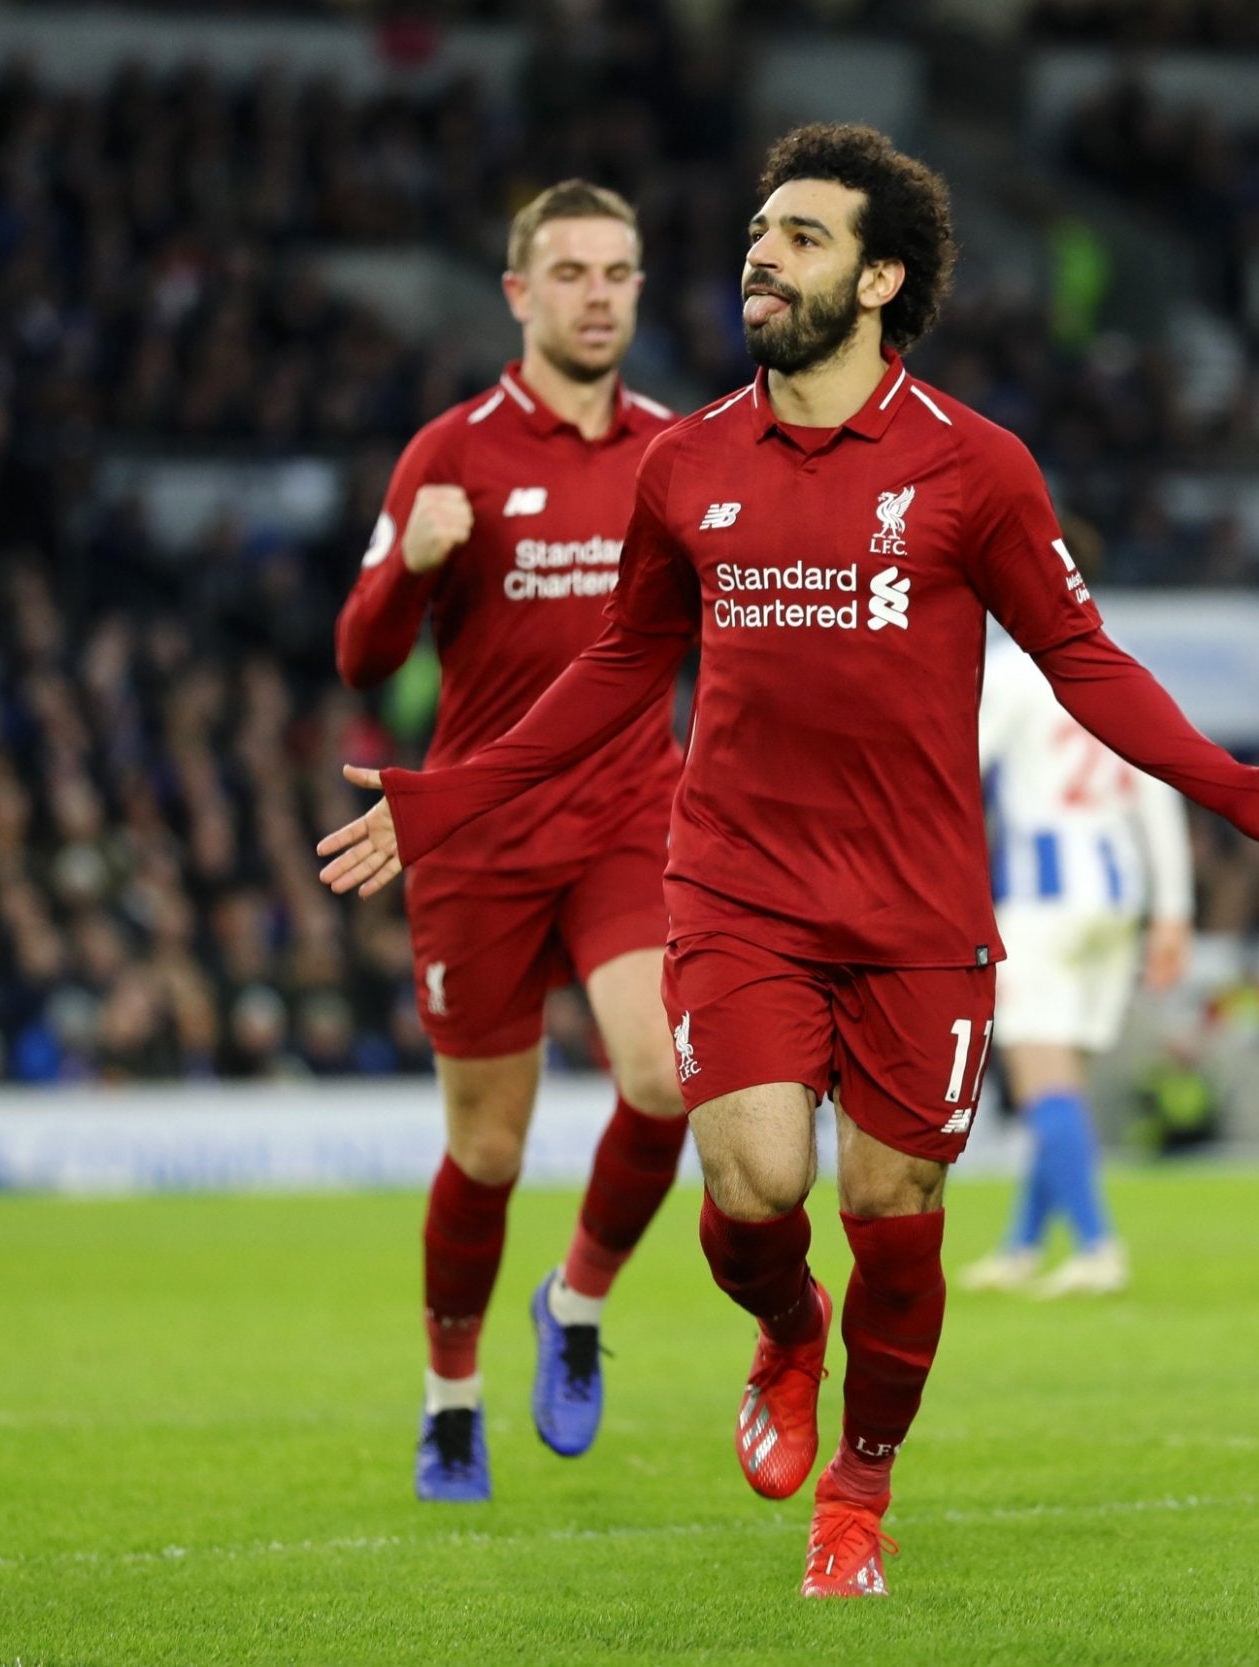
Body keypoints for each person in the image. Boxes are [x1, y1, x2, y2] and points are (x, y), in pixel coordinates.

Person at [317, 123, 1259, 1597]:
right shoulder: (687, 466)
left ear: (877, 278)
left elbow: (1080, 656)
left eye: (799, 236)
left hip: (916, 905)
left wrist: (1228, 784)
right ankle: (786, 1328)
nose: (760, 253)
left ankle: (858, 1489)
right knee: (748, 1180)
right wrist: (448, 794)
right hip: (734, 880)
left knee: (895, 1210)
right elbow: (617, 670)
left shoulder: (972, 466)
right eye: (757, 230)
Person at [333, 180, 688, 1503]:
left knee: (663, 1078)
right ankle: (448, 1393)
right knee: (487, 1148)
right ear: (519, 294)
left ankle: (577, 1297)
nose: (598, 293)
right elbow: (361, 655)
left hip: (626, 815)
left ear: (639, 289)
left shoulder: (676, 454)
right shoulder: (449, 452)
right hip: (480, 835)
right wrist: (411, 564)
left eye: (619, 271)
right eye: (573, 271)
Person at [959, 635, 1193, 1297]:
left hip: (1045, 894)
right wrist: (1174, 910)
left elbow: (959, 761)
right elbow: (1160, 786)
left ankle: (1097, 1245)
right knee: (1062, 1080)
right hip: (1119, 894)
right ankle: (1022, 1245)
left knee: (1040, 1078)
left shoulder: (1013, 671)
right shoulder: (1122, 666)